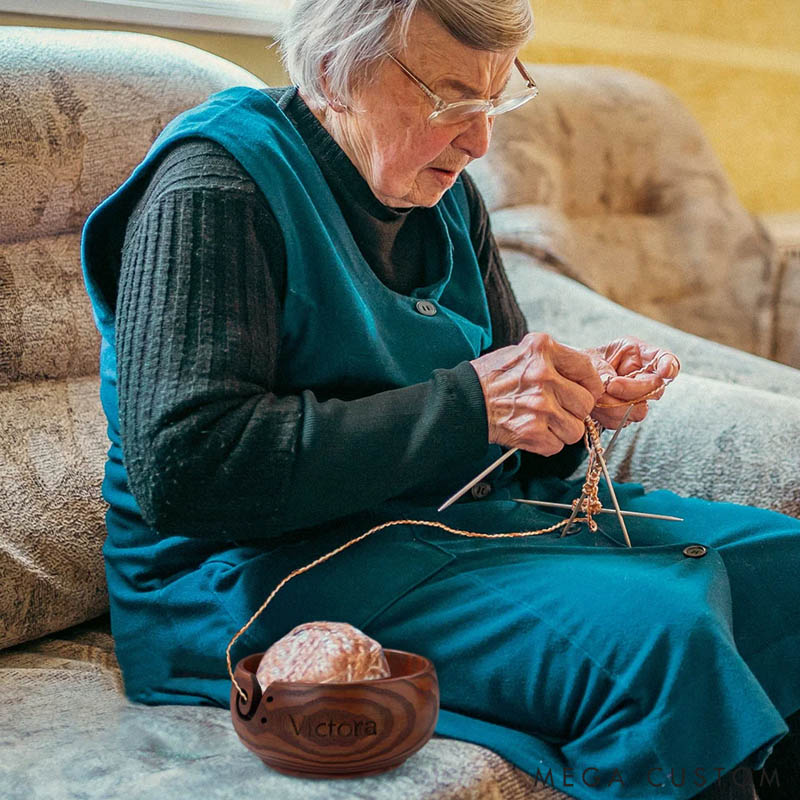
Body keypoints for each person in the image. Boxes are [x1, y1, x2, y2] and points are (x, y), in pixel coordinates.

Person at [80, 1, 799, 798]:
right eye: (453, 99)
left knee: (786, 563)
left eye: (494, 99)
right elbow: (190, 470)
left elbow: (500, 411)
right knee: (659, 634)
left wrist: (569, 401)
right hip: (246, 571)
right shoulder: (214, 187)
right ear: (332, 74)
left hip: (439, 520)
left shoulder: (445, 189)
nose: (479, 138)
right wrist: (475, 407)